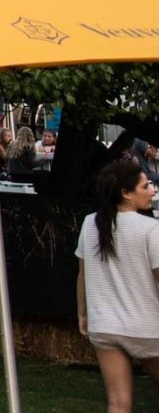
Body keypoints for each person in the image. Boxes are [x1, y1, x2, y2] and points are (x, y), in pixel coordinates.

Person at [74, 161, 159, 412]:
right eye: (146, 186)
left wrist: (83, 314)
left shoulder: (90, 223)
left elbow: (82, 275)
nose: (152, 190)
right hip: (148, 329)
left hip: (105, 326)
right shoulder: (151, 229)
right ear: (125, 192)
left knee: (118, 404)